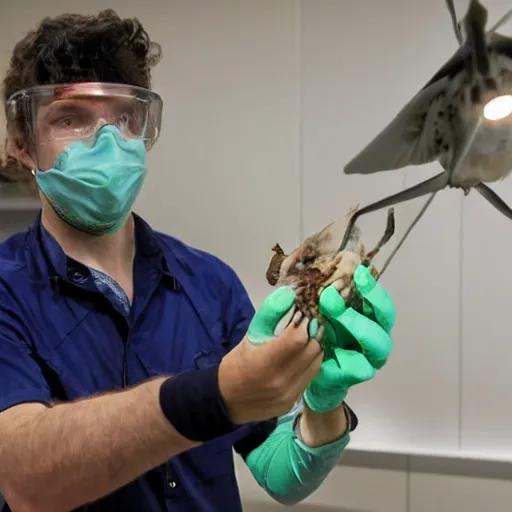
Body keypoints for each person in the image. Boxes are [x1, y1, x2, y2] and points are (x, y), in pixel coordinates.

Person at [0, 10, 396, 512]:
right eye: (71, 118)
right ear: (22, 144)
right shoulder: (7, 291)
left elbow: (280, 473)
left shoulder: (208, 282)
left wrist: (322, 404)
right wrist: (218, 394)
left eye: (124, 117)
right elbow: (25, 477)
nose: (108, 142)